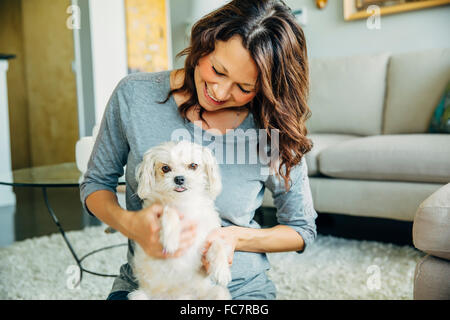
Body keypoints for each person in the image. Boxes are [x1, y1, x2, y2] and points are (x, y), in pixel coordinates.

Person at [80, 0, 317, 300]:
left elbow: (301, 229)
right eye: (217, 70)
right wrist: (131, 224)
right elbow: (95, 184)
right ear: (204, 43)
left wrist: (234, 237)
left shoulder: (271, 126)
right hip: (151, 289)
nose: (219, 92)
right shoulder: (134, 95)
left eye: (243, 88)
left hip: (237, 289)